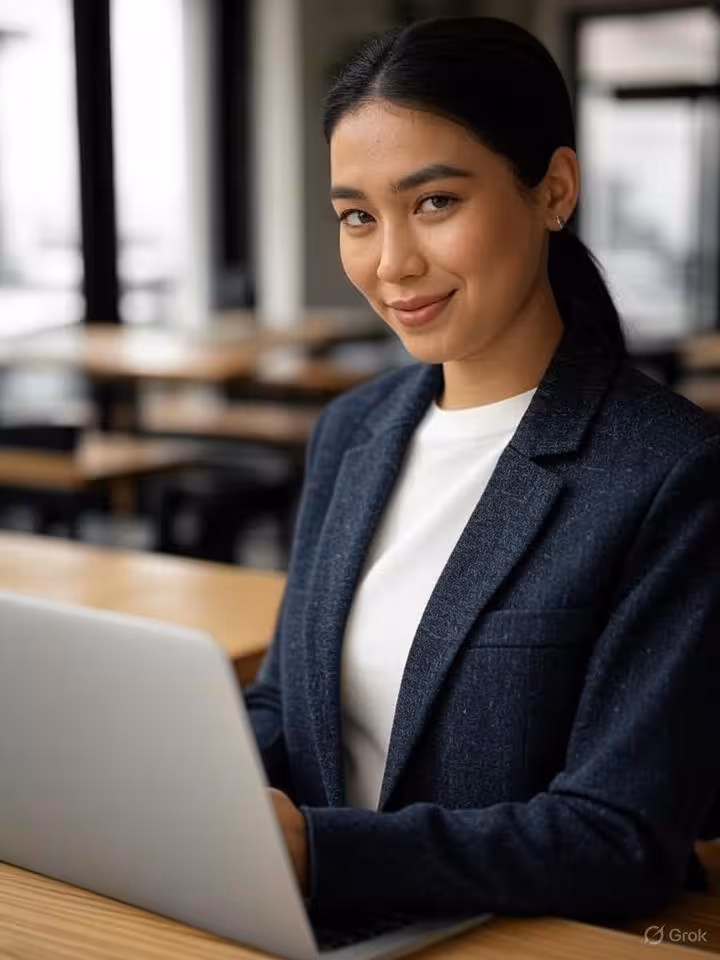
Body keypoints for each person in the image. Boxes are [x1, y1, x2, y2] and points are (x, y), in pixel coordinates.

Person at [245, 16, 720, 925]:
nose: (391, 265)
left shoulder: (670, 474)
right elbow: (287, 704)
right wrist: (182, 790)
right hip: (310, 926)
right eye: (357, 216)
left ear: (553, 190)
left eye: (435, 203)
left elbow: (620, 840)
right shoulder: (352, 432)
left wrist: (324, 853)